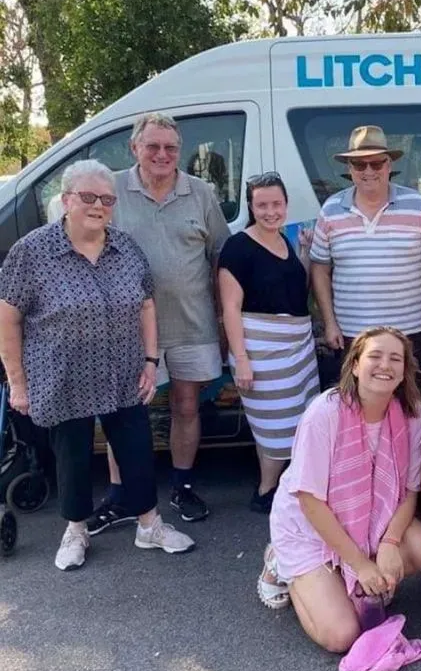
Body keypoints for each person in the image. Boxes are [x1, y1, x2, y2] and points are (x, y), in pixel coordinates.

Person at [0, 160, 195, 570]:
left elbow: (145, 305)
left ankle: (149, 525)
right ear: (67, 200)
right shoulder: (33, 252)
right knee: (70, 455)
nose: (98, 206)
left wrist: (149, 360)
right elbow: (8, 318)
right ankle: (75, 532)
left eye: (106, 199)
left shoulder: (126, 248)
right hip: (61, 375)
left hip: (122, 371)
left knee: (137, 449)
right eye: (88, 197)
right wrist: (17, 382)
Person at [87, 112, 232, 531]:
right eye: (152, 146)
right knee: (124, 412)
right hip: (127, 330)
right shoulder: (111, 188)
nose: (162, 154)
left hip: (192, 323)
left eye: (170, 147)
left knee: (187, 406)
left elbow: (220, 255)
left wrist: (223, 321)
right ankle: (120, 494)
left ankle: (182, 486)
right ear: (135, 148)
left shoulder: (201, 192)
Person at [258, 327, 421, 653]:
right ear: (354, 365)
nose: (385, 365)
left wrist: (391, 541)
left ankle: (346, 580)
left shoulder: (413, 416)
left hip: (374, 517)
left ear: (404, 372)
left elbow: (411, 490)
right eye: (375, 356)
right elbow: (310, 502)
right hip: (310, 525)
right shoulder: (324, 412)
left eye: (395, 358)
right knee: (342, 636)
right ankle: (280, 565)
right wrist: (362, 564)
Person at [218, 172, 320, 513]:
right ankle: (266, 490)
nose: (270, 211)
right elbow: (230, 307)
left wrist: (304, 253)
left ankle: (280, 488)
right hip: (262, 350)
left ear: (286, 205)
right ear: (251, 206)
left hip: (297, 350)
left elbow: (294, 291)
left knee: (294, 421)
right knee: (273, 425)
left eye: (277, 204)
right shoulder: (237, 247)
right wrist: (242, 358)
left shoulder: (284, 241)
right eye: (262, 205)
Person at [309, 126, 421, 372]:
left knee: (406, 403)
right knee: (356, 405)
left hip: (408, 332)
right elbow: (320, 270)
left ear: (389, 165)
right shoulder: (330, 210)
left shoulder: (419, 206)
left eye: (377, 163)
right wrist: (330, 323)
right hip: (352, 334)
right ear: (349, 169)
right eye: (359, 165)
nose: (368, 171)